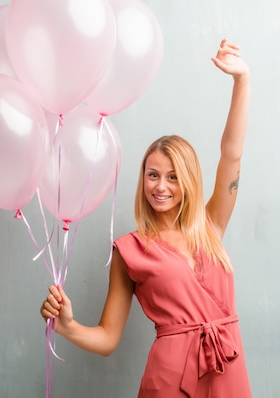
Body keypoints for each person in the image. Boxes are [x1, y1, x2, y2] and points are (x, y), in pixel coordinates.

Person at [40, 38, 251, 398]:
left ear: (188, 181)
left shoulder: (210, 225)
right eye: (152, 175)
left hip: (228, 368)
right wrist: (69, 326)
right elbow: (108, 338)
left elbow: (231, 155)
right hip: (170, 378)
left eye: (172, 177)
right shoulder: (130, 251)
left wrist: (242, 80)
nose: (161, 187)